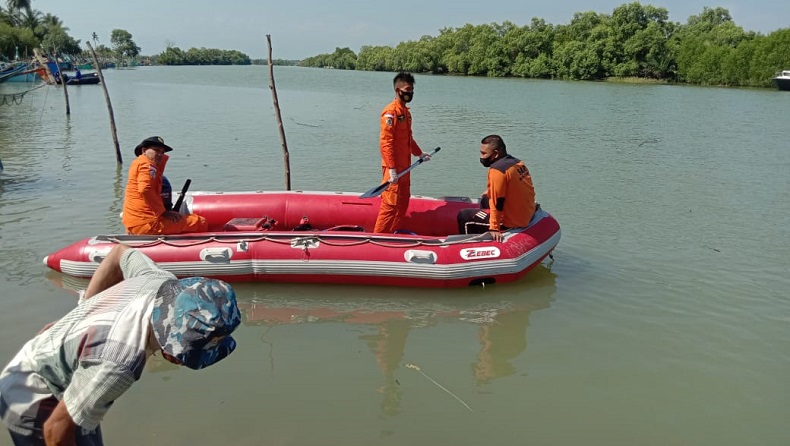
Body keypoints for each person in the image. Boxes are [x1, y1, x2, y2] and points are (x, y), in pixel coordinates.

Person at [0, 244, 241, 445]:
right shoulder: (120, 363)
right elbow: (55, 431)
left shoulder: (159, 281)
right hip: (32, 391)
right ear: (173, 355)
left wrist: (84, 312)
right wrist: (85, 316)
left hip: (68, 370)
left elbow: (118, 254)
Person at [373, 72, 432, 233]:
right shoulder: (390, 113)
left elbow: (408, 139)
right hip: (393, 170)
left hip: (405, 169)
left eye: (412, 90)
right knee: (390, 206)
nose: (410, 93)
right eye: (407, 89)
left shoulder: (406, 112)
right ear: (398, 90)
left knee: (403, 203)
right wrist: (391, 168)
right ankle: (378, 238)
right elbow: (386, 143)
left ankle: (392, 234)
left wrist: (419, 154)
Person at [457, 135, 536, 242]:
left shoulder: (497, 170)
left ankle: (468, 247)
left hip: (513, 221)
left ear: (496, 153)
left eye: (484, 154)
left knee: (464, 215)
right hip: (527, 214)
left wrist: (494, 228)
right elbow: (524, 188)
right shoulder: (517, 163)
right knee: (485, 200)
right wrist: (490, 191)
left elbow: (498, 202)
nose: (481, 157)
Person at [122, 136, 208, 235]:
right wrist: (163, 212)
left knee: (187, 219)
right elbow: (145, 189)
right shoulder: (146, 165)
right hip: (147, 223)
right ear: (144, 150)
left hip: (137, 222)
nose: (160, 154)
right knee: (201, 222)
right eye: (156, 150)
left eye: (162, 152)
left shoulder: (139, 163)